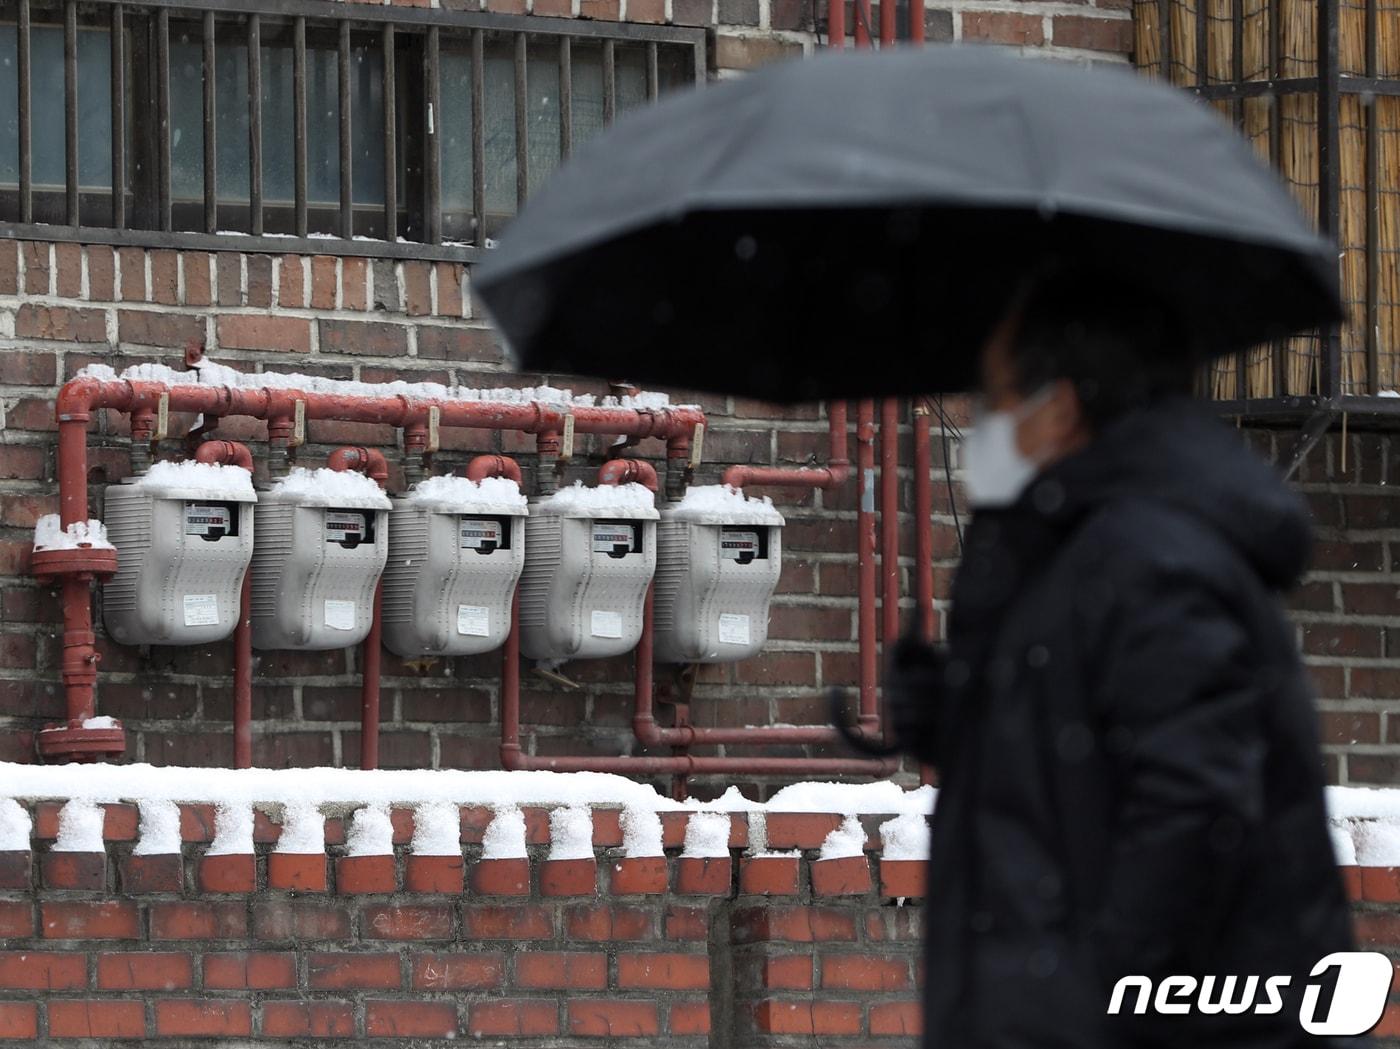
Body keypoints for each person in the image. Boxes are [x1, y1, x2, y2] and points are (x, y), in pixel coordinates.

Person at [888, 268, 1358, 1048]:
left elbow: (1195, 805)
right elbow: (1087, 754)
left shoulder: (1150, 558)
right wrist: (960, 716)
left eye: (1000, 398)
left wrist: (1090, 998)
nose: (985, 421)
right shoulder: (1084, 547)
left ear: (1061, 406)